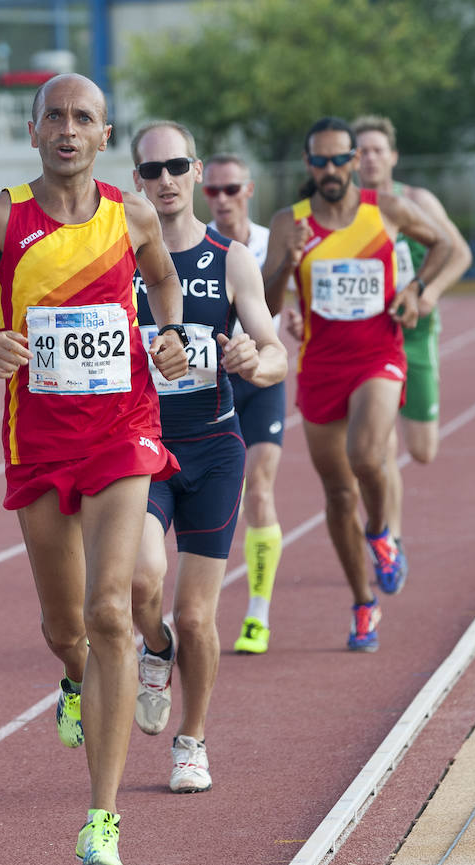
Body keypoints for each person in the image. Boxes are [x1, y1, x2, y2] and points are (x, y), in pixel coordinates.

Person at [0, 74, 189, 865]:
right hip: (36, 440)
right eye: (55, 118)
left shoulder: (132, 214)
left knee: (112, 614)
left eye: (84, 118)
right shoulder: (1, 217)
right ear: (33, 133)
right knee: (65, 630)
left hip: (122, 432)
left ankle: (100, 822)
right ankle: (74, 681)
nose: (68, 129)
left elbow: (164, 280)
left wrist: (168, 334)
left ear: (106, 136)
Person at [129, 121, 288, 791]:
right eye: (150, 169)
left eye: (175, 166)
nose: (164, 180)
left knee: (196, 613)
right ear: (135, 179)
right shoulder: (118, 257)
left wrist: (257, 358)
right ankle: (154, 648)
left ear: (195, 172)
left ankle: (190, 741)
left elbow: (274, 352)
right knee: (141, 583)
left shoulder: (229, 258)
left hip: (214, 447)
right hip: (141, 446)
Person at [263, 116, 451, 652]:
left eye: (338, 158)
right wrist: (290, 261)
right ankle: (363, 603)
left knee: (367, 457)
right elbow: (270, 303)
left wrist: (416, 289)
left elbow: (441, 245)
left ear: (354, 161)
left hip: (379, 352)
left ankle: (382, 535)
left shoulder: (384, 210)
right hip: (321, 364)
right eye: (318, 160)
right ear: (308, 165)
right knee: (338, 493)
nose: (329, 169)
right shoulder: (288, 222)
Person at [352, 115, 472, 546]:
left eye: (377, 150)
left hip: (416, 334)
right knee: (380, 446)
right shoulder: (349, 207)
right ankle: (392, 538)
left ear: (393, 156)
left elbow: (460, 253)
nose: (369, 158)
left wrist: (430, 290)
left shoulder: (417, 200)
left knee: (422, 451)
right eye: (361, 151)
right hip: (373, 338)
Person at [202, 153, 286, 656]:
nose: (222, 199)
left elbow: (301, 291)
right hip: (210, 382)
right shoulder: (198, 247)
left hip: (261, 380)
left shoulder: (272, 246)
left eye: (230, 189)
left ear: (248, 190)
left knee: (259, 489)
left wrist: (295, 324)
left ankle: (257, 614)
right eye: (212, 190)